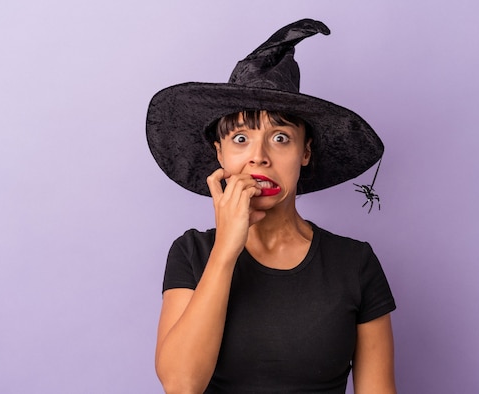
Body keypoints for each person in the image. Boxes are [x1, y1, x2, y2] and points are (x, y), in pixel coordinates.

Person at [146, 19, 397, 393]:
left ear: (305, 152)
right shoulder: (192, 253)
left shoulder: (355, 263)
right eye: (241, 138)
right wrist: (226, 250)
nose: (259, 157)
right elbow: (181, 385)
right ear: (220, 154)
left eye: (280, 138)